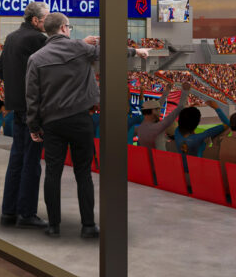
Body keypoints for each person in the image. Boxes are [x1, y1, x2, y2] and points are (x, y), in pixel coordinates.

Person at [25, 13, 149, 238]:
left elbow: (32, 97)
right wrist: (136, 51)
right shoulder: (79, 48)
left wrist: (33, 126)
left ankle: (53, 226)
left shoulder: (36, 58)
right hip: (80, 120)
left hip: (52, 122)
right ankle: (88, 226)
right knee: (83, 174)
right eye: (69, 27)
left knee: (52, 173)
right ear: (64, 28)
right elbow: (111, 52)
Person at [0, 1, 49, 229]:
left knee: (17, 159)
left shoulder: (11, 38)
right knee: (32, 162)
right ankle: (26, 213)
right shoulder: (38, 39)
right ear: (35, 20)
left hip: (17, 106)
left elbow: (0, 70)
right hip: (33, 108)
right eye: (46, 19)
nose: (48, 22)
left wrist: (16, 85)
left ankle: (9, 211)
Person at [134, 83, 191, 149]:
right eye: (158, 109)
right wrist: (185, 92)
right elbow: (180, 107)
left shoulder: (141, 123)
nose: (160, 111)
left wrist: (167, 91)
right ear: (153, 111)